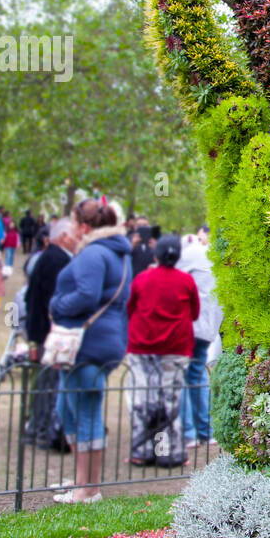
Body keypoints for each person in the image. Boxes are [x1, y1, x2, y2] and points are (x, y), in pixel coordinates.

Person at [49, 198, 132, 504]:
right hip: (107, 339)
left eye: (73, 222)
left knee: (83, 409)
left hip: (89, 343)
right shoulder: (117, 252)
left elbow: (86, 295)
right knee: (71, 408)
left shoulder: (94, 253)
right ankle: (83, 480)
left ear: (84, 226)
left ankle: (88, 488)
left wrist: (56, 305)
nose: (70, 228)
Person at [125, 235, 199, 467]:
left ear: (155, 254)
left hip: (143, 346)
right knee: (171, 399)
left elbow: (130, 308)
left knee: (143, 399)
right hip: (176, 348)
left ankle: (142, 451)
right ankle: (170, 453)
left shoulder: (142, 279)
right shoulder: (186, 281)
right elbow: (195, 313)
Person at [24, 218, 77, 452]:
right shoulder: (58, 260)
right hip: (51, 332)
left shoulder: (49, 257)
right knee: (49, 384)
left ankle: (38, 428)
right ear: (64, 236)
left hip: (43, 330)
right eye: (75, 234)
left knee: (46, 382)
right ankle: (44, 431)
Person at [177, 233, 222, 449]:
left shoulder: (192, 254)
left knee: (181, 376)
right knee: (196, 374)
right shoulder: (216, 259)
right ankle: (206, 430)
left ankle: (188, 432)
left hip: (189, 325)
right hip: (208, 327)